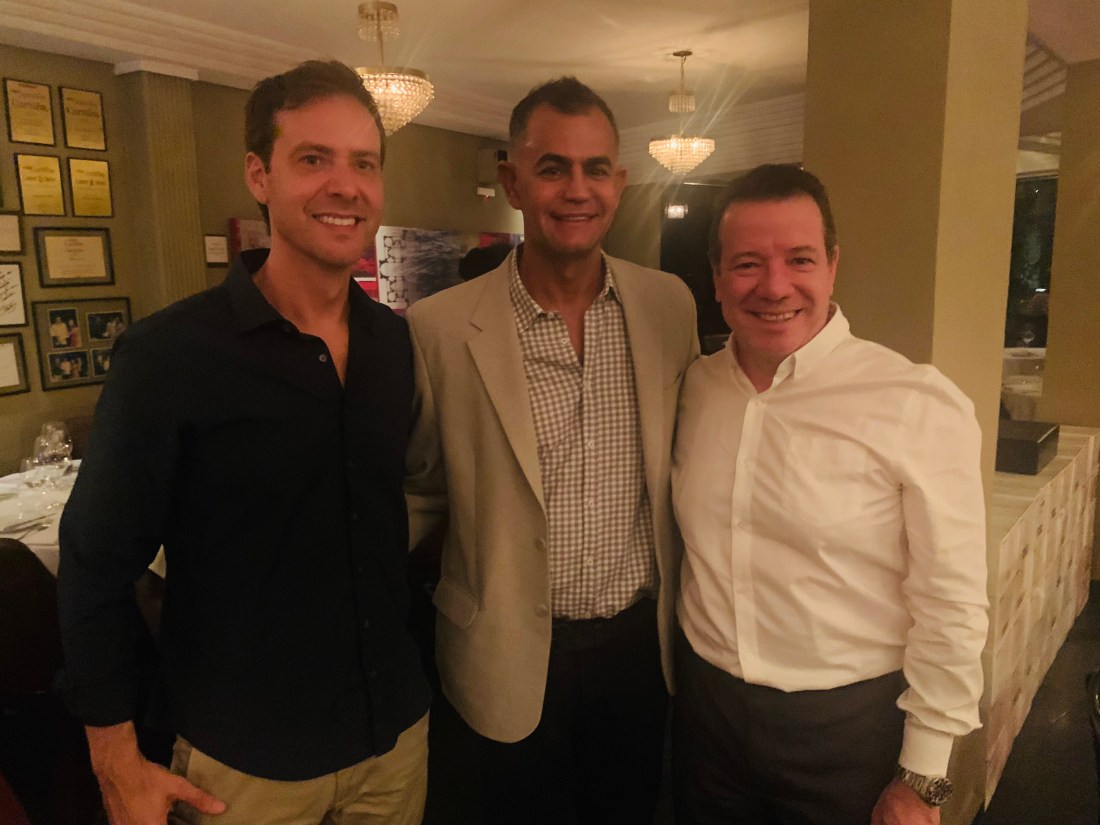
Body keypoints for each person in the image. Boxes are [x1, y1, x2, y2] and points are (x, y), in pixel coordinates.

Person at [57, 60, 430, 825]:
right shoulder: (169, 356)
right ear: (259, 174)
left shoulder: (395, 344)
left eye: (364, 163)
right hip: (245, 763)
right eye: (314, 158)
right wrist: (115, 761)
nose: (345, 185)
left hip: (391, 739)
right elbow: (95, 565)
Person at [404, 77, 698, 824]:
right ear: (513, 182)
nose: (577, 189)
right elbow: (416, 491)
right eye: (552, 168)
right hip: (500, 652)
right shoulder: (438, 328)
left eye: (596, 168)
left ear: (619, 182)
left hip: (638, 651)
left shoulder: (669, 305)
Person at [671, 164, 988, 825]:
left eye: (800, 259)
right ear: (717, 276)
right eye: (748, 264)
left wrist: (923, 777)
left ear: (833, 266)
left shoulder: (914, 402)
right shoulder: (694, 387)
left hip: (848, 732)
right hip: (705, 717)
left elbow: (951, 602)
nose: (774, 286)